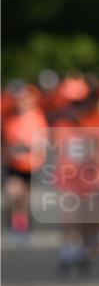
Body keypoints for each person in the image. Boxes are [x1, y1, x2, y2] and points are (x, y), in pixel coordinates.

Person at [2, 84, 47, 239]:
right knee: (13, 192)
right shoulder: (9, 118)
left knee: (25, 198)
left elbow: (41, 142)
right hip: (13, 164)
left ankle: (24, 224)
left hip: (31, 165)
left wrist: (27, 147)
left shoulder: (38, 117)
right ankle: (16, 226)